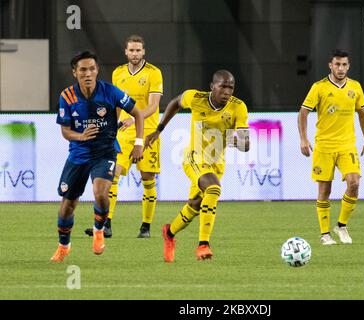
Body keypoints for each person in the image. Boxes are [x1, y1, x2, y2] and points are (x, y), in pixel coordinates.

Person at [145, 70, 250, 262]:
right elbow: (175, 103)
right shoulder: (195, 98)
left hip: (217, 163)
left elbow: (245, 145)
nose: (227, 91)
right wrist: (158, 130)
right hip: (194, 158)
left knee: (195, 204)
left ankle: (169, 232)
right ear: (212, 86)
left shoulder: (238, 107)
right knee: (213, 189)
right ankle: (203, 244)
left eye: (231, 87)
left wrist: (237, 141)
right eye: (223, 86)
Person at [50, 51, 144, 262]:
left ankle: (99, 230)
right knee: (67, 207)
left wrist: (138, 143)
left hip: (105, 152)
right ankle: (64, 246)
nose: (88, 73)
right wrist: (80, 136)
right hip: (78, 155)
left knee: (101, 192)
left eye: (92, 69)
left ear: (97, 70)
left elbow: (137, 113)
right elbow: (65, 131)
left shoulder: (110, 92)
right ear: (75, 72)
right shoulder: (67, 96)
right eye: (83, 70)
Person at [85, 35, 163, 238]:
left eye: (138, 50)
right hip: (124, 132)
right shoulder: (118, 73)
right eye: (132, 50)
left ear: (144, 51)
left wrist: (134, 118)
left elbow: (154, 106)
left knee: (147, 179)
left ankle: (145, 227)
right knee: (113, 174)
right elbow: (116, 105)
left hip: (148, 132)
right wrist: (109, 127)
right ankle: (106, 224)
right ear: (126, 52)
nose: (135, 54)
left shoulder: (154, 73)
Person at [298, 49, 364, 245]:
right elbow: (303, 113)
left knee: (354, 183)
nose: (341, 68)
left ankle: (341, 225)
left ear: (349, 66)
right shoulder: (319, 87)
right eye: (337, 64)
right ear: (330, 65)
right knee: (325, 190)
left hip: (347, 144)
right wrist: (303, 139)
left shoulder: (355, 87)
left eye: (344, 64)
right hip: (324, 145)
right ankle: (324, 235)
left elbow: (363, 114)